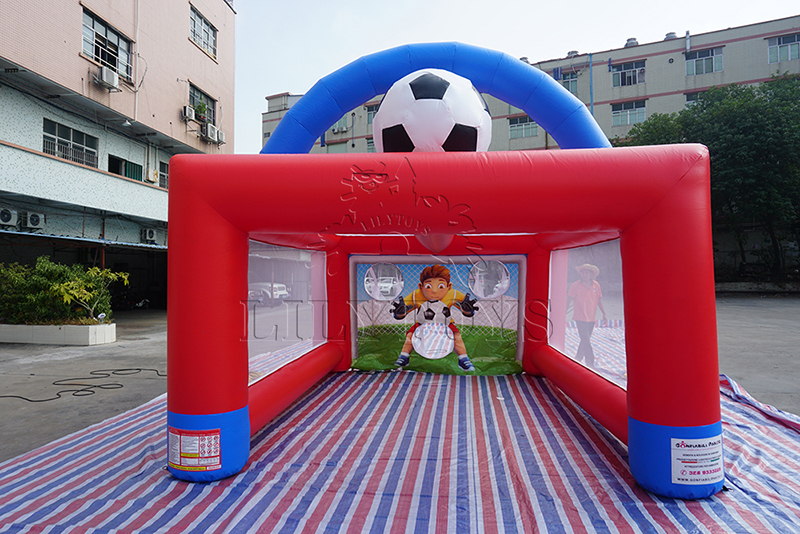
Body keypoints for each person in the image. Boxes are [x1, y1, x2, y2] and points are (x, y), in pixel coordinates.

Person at [391, 264, 478, 372]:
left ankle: (463, 359)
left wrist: (468, 310)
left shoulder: (453, 294)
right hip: (422, 324)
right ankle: (404, 356)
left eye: (441, 286)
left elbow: (467, 311)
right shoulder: (416, 295)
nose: (434, 291)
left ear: (449, 286)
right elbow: (402, 312)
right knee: (410, 335)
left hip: (445, 324)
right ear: (421, 286)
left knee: (457, 336)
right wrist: (399, 312)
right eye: (428, 286)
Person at [567, 263, 607, 366]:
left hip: (591, 318)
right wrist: (563, 313)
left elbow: (599, 300)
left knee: (585, 340)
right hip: (580, 317)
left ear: (591, 274)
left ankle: (577, 358)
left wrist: (604, 314)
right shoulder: (575, 285)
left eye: (587, 273)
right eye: (583, 272)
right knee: (586, 340)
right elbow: (569, 300)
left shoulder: (596, 285)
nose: (585, 274)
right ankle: (590, 363)